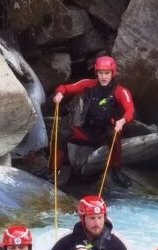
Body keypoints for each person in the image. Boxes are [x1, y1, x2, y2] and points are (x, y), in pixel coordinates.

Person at [49, 55, 134, 187]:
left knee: (114, 135)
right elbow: (66, 88)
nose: (104, 77)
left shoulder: (120, 91)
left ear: (113, 73)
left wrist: (122, 121)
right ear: (97, 73)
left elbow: (130, 110)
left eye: (107, 73)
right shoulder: (89, 85)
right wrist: (59, 93)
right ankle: (52, 172)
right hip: (88, 132)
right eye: (101, 73)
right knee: (63, 134)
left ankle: (116, 171)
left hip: (106, 133)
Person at [39, 195, 136, 250]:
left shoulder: (118, 242)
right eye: (92, 218)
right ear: (82, 219)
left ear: (104, 217)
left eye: (100, 217)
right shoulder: (68, 239)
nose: (97, 223)